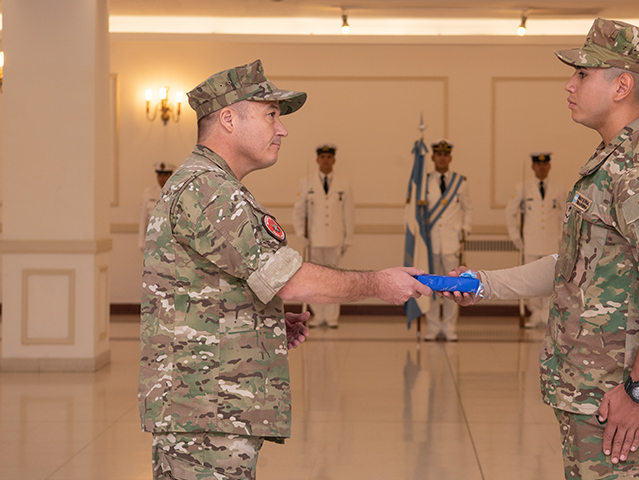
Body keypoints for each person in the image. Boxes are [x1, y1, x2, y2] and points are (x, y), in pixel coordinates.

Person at [138, 59, 431, 480]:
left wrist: (264, 318)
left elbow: (210, 289)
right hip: (207, 413)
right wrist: (378, 283)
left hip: (202, 406)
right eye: (271, 114)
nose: (283, 129)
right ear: (228, 119)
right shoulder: (209, 190)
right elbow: (289, 277)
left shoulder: (207, 184)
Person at [440, 18, 639, 479]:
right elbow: (576, 265)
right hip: (591, 389)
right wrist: (483, 284)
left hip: (616, 392)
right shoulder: (612, 163)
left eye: (582, 74)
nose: (569, 84)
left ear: (622, 85)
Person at [293, 143, 355, 328]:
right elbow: (299, 211)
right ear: (317, 160)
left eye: (329, 157)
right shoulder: (306, 182)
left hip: (335, 239)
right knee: (315, 279)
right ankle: (319, 315)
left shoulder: (344, 184)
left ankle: (332, 316)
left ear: (333, 160)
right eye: (323, 157)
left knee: (336, 279)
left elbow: (349, 212)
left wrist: (348, 238)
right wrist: (301, 234)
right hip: (314, 239)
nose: (326, 160)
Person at [504, 152, 567, 328]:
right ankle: (534, 313)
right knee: (531, 279)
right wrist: (516, 237)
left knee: (550, 279)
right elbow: (510, 212)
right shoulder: (522, 188)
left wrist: (563, 237)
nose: (541, 167)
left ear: (549, 166)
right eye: (538, 165)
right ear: (533, 167)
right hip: (530, 243)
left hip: (551, 243)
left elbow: (565, 215)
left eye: (545, 164)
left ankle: (546, 314)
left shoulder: (558, 188)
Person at [423, 139, 472, 341]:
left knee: (454, 288)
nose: (442, 158)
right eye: (438, 154)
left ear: (449, 157)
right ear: (433, 157)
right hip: (430, 242)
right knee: (430, 287)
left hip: (451, 242)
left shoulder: (461, 182)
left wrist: (465, 230)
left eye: (445, 154)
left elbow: (468, 209)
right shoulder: (424, 182)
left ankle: (450, 327)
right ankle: (433, 327)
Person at [138, 162, 175, 250]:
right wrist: (141, 243)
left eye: (165, 175)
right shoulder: (148, 193)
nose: (162, 178)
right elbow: (143, 219)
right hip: (152, 239)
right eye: (159, 175)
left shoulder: (175, 192)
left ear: (171, 175)